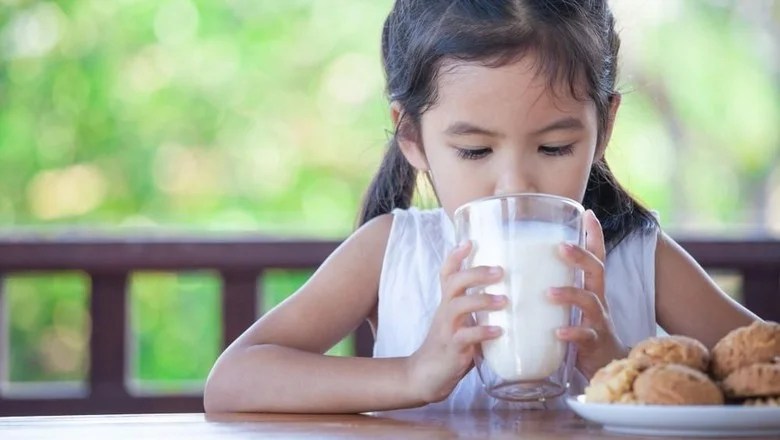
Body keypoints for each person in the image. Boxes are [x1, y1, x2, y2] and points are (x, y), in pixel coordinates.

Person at [203, 0, 757, 413]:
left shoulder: (637, 256)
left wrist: (622, 369)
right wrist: (414, 375)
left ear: (604, 126)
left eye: (555, 147)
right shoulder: (393, 252)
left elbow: (764, 369)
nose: (513, 184)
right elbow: (233, 381)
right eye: (473, 150)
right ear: (413, 136)